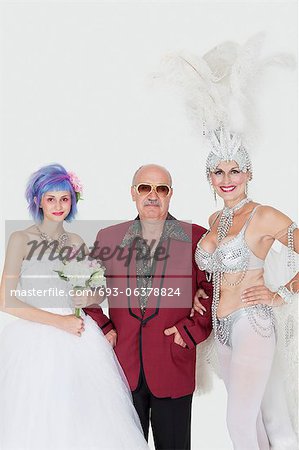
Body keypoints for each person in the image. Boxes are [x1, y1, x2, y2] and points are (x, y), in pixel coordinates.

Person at [160, 35, 298, 449]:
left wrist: (281, 293)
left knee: (238, 424)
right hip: (222, 330)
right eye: (218, 173)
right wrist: (203, 295)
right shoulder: (214, 219)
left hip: (252, 324)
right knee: (250, 420)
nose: (226, 180)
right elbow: (214, 270)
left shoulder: (266, 216)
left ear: (249, 173)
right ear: (209, 178)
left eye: (234, 170)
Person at [0, 163, 148, 450]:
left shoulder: (77, 240)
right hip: (36, 338)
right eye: (50, 198)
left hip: (79, 336)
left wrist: (88, 296)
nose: (58, 205)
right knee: (39, 416)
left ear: (73, 200)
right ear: (37, 201)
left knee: (86, 418)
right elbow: (5, 299)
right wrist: (59, 322)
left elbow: (93, 290)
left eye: (64, 198)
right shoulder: (21, 239)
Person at [84, 163, 213, 450]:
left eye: (161, 189)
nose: (152, 195)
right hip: (123, 366)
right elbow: (85, 285)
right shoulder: (109, 238)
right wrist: (103, 326)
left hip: (173, 362)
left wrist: (189, 331)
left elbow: (213, 289)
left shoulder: (195, 238)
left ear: (170, 195)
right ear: (133, 193)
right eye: (145, 188)